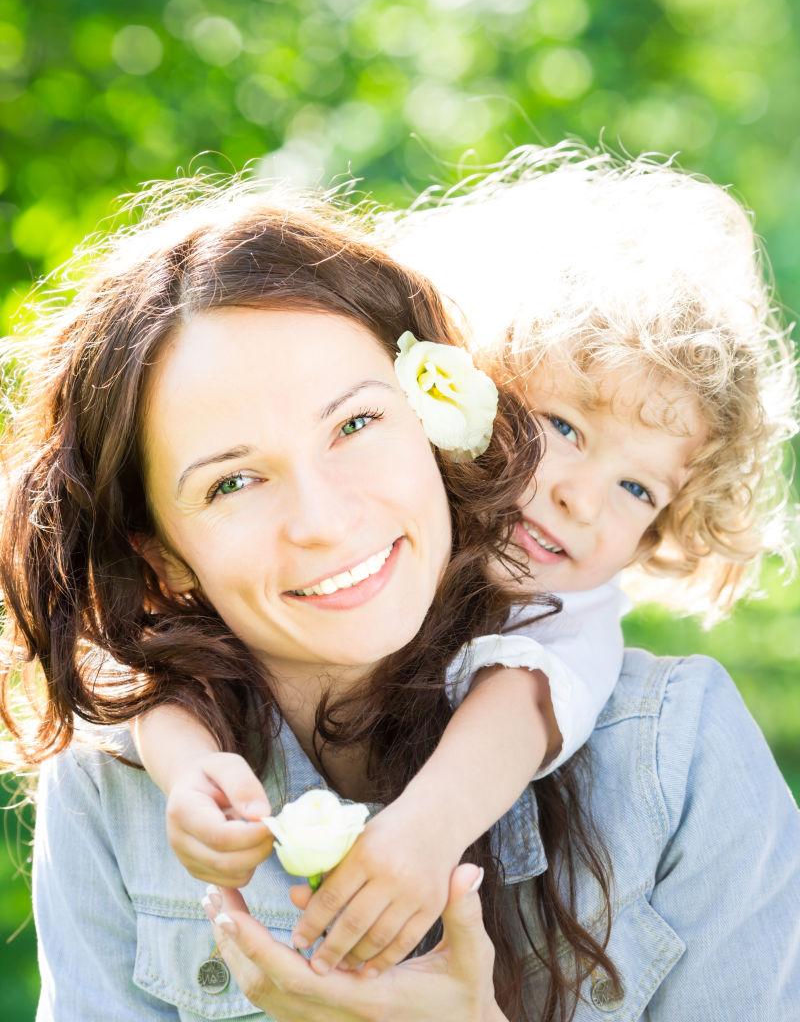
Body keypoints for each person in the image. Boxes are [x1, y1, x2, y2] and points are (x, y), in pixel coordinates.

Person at [1, 173, 798, 1022]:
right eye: (234, 481)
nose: (322, 520)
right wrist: (186, 765)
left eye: (354, 424)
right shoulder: (110, 794)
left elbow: (531, 691)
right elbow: (143, 680)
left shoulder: (669, 752)